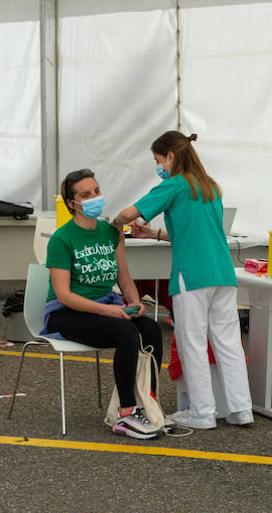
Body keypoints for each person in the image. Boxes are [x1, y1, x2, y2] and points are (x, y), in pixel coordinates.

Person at [112, 131, 253, 430]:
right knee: (228, 343)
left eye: (157, 160)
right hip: (223, 274)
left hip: (192, 275)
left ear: (171, 157)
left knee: (193, 343)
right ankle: (241, 409)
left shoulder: (173, 185)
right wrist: (154, 234)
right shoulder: (211, 187)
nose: (158, 166)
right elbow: (194, 232)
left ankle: (202, 412)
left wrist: (112, 223)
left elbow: (129, 213)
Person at [44, 169, 163, 439]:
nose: (95, 197)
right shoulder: (62, 239)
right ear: (72, 203)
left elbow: (124, 277)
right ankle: (126, 414)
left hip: (106, 307)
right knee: (126, 333)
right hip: (66, 313)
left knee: (151, 329)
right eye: (86, 195)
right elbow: (63, 295)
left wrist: (135, 303)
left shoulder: (111, 233)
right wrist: (110, 310)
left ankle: (149, 403)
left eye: (96, 191)